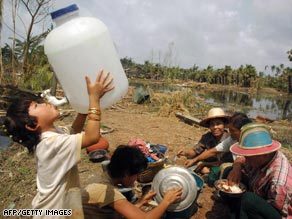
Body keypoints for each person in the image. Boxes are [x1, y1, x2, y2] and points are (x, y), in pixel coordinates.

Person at [3, 69, 114, 218]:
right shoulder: (50, 144)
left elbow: (74, 131)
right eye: (37, 106)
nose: (45, 103)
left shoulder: (51, 136)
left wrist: (83, 108)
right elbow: (92, 137)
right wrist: (94, 99)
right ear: (31, 125)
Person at [82, 145, 182, 219]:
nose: (137, 179)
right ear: (126, 173)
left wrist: (140, 202)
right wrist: (166, 201)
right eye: (136, 174)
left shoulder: (102, 179)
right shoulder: (106, 191)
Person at [226, 123, 292, 219]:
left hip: (278, 212)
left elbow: (279, 213)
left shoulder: (279, 182)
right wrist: (236, 168)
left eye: (249, 156)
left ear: (264, 154)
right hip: (259, 192)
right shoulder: (264, 158)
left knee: (248, 200)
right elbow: (240, 159)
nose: (246, 158)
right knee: (229, 171)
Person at [177, 107, 231, 174]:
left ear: (224, 125)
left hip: (223, 166)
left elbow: (225, 162)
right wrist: (185, 153)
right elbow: (195, 151)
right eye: (212, 124)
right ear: (209, 126)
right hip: (209, 163)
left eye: (218, 124)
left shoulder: (230, 139)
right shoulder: (207, 137)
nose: (215, 127)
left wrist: (205, 164)